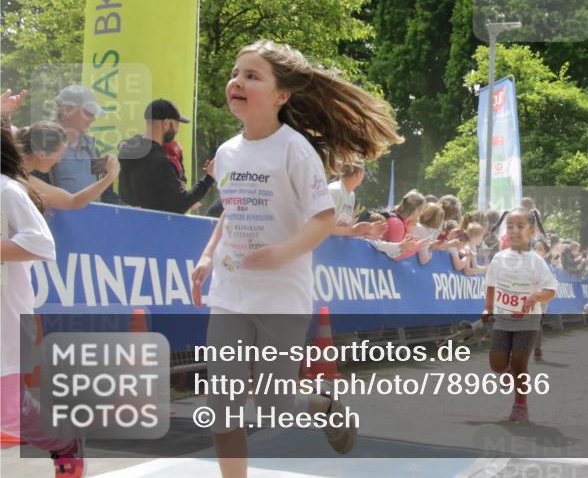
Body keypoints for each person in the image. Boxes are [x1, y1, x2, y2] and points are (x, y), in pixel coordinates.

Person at [189, 40, 402, 475]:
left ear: (281, 95)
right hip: (230, 293)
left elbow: (322, 219)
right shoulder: (228, 152)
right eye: (236, 73)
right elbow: (232, 209)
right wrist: (208, 256)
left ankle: (323, 405)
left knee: (273, 406)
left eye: (252, 76)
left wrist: (281, 253)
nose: (237, 81)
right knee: (222, 404)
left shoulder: (294, 149)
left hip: (281, 296)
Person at [1, 127, 86, 477]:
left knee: (8, 411)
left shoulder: (7, 190)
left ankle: (65, 440)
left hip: (6, 318)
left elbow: (39, 244)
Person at [482, 207, 558, 422]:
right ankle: (505, 370)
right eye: (510, 227)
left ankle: (520, 404)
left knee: (519, 362)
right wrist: (488, 307)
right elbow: (491, 285)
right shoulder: (498, 258)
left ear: (532, 231)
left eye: (520, 226)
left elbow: (551, 290)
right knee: (497, 363)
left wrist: (536, 296)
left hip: (528, 321)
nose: (514, 231)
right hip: (503, 319)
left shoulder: (536, 261)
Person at [118, 99, 215, 214]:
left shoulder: (130, 148)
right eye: (176, 124)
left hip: (127, 222)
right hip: (155, 227)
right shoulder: (160, 161)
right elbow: (180, 204)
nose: (177, 130)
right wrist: (209, 177)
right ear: (165, 124)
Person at [16, 121, 121, 210]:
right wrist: (110, 177)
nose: (59, 161)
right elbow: (73, 202)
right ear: (41, 154)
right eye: (58, 155)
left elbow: (72, 201)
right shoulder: (20, 179)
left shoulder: (23, 178)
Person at [44, 85, 118, 203]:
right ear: (67, 110)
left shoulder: (93, 150)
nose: (94, 118)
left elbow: (105, 195)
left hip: (90, 220)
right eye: (89, 113)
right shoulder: (43, 147)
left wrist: (131, 210)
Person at [327, 160, 384, 238]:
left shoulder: (351, 195)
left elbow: (345, 228)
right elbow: (323, 226)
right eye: (364, 172)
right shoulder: (335, 190)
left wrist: (366, 231)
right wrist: (353, 231)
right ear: (359, 173)